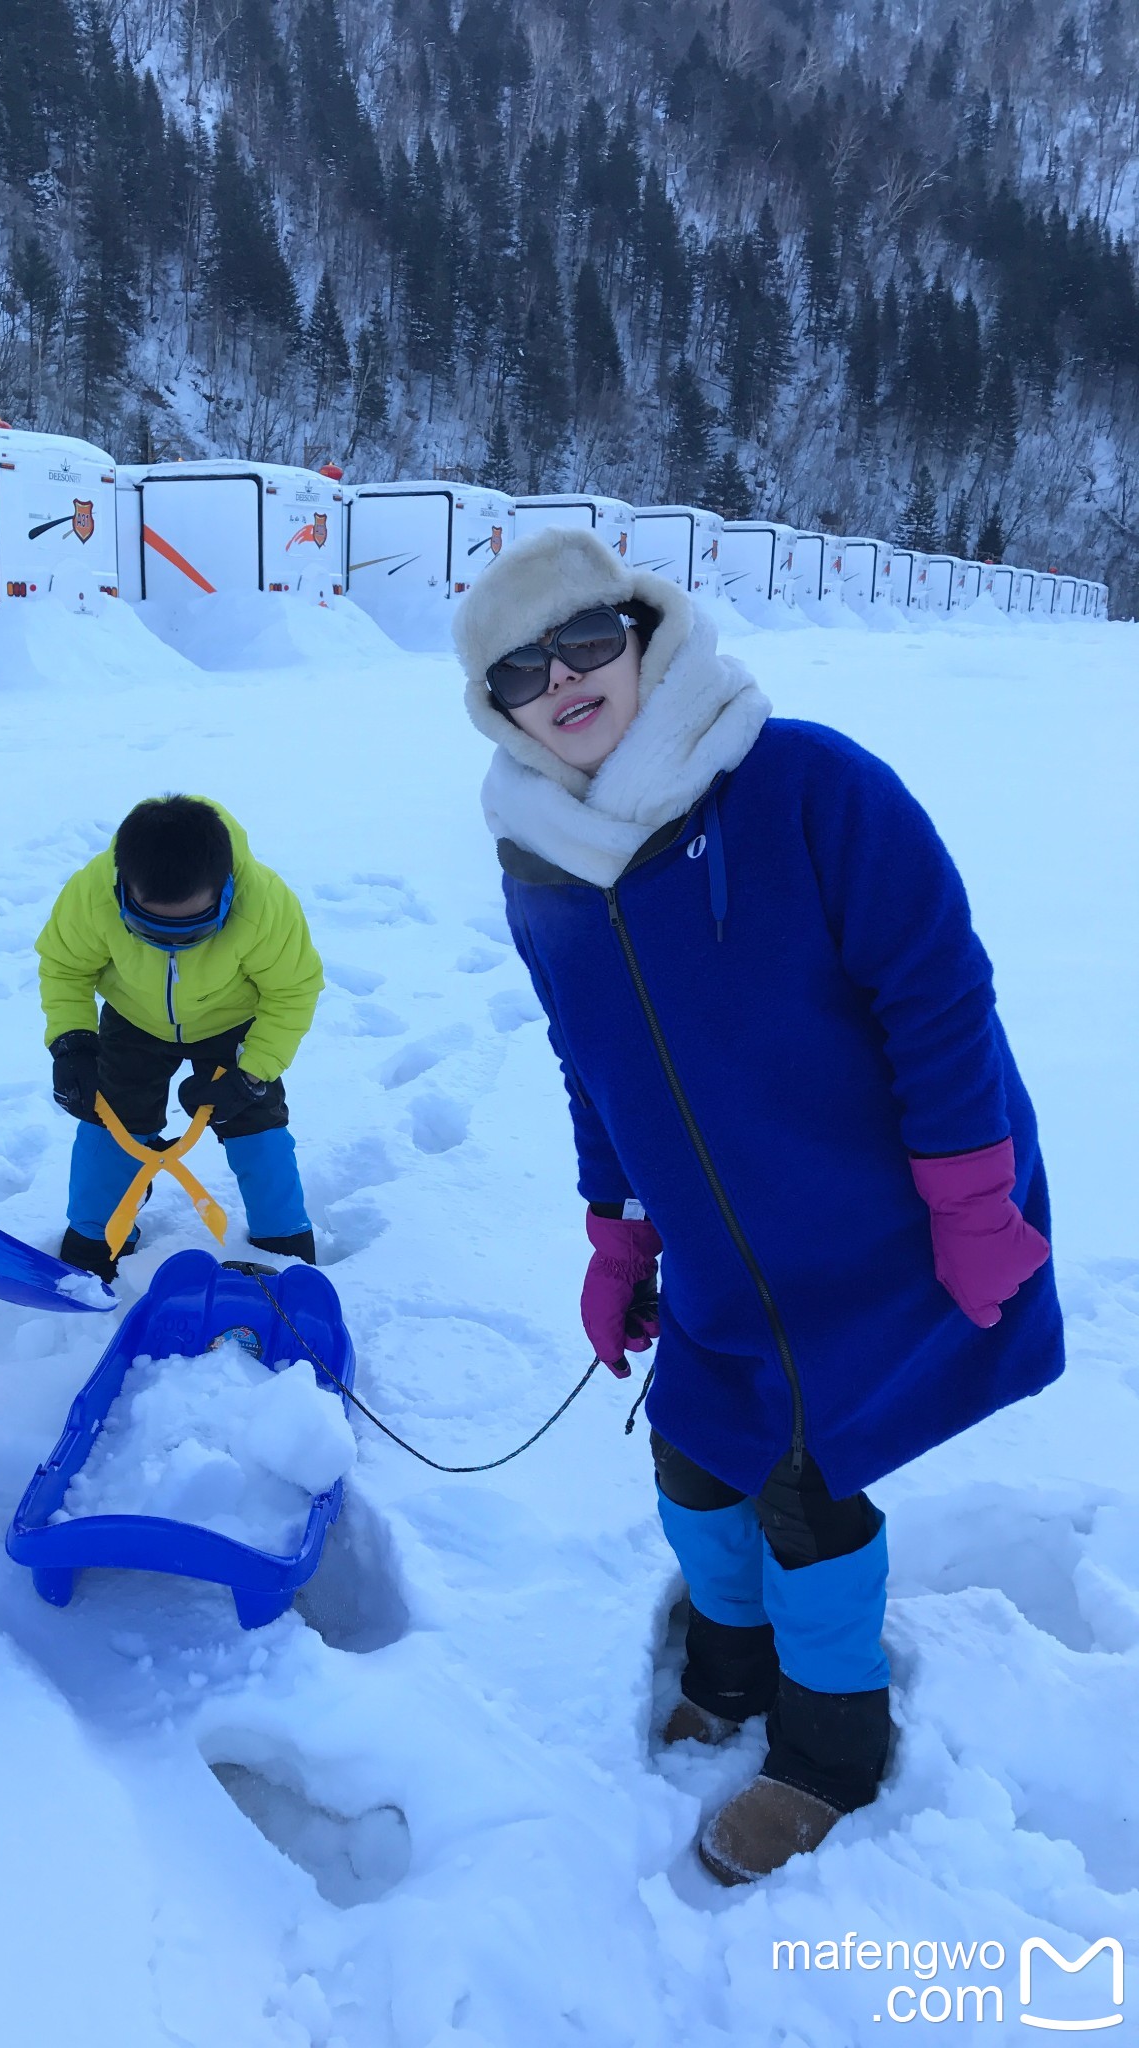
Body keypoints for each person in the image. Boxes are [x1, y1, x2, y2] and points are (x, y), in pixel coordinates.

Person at [453, 528, 1061, 1884]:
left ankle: (830, 1748)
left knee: (803, 1475)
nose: (562, 681)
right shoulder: (544, 868)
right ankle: (726, 1664)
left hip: (874, 1221)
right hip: (719, 1243)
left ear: (646, 628)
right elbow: (586, 1058)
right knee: (690, 1449)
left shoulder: (805, 784)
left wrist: (972, 1198)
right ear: (494, 706)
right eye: (518, 671)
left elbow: (939, 993)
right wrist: (617, 1225)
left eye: (585, 639)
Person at [36, 794, 322, 1278]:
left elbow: (293, 991)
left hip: (232, 1019)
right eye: (150, 930)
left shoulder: (265, 906)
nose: (172, 944)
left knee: (258, 1126)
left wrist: (251, 1075)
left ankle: (283, 1236)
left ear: (225, 891)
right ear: (124, 889)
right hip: (134, 1016)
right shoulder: (92, 894)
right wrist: (72, 1042)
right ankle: (95, 1234)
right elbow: (65, 967)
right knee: (111, 1120)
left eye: (192, 933)